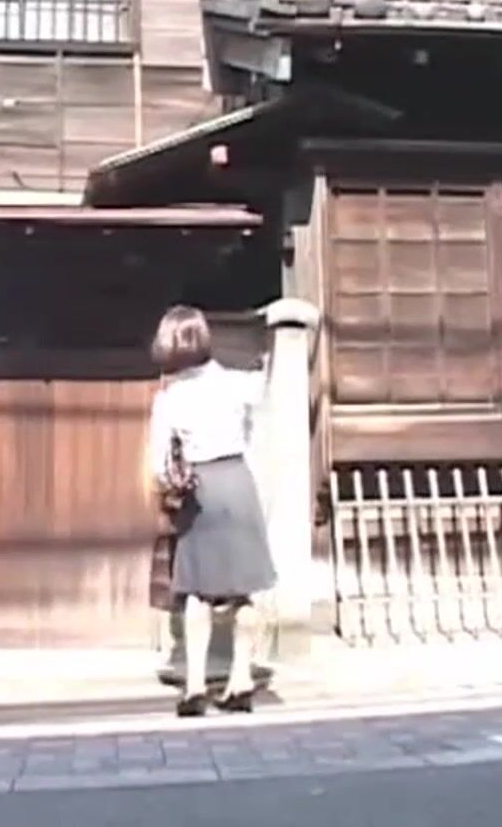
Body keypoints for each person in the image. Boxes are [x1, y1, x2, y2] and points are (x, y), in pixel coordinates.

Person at [148, 304, 276, 717]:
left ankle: (195, 685)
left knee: (197, 591)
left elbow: (159, 465)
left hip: (200, 486)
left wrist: (167, 490)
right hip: (238, 480)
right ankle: (241, 679)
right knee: (245, 588)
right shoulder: (237, 384)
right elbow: (254, 438)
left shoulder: (169, 399)